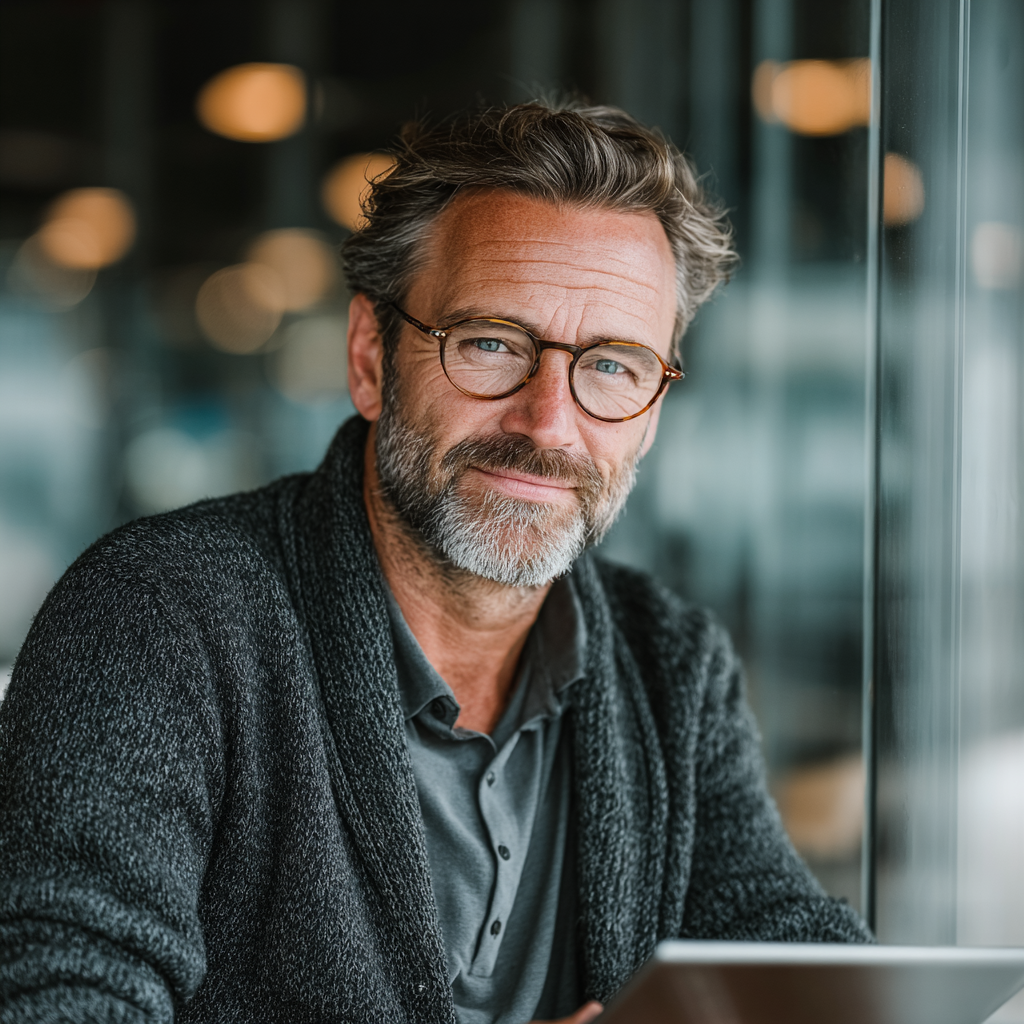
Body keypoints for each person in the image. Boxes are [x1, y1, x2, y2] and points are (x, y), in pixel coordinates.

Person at [0, 100, 870, 1024]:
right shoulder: (158, 616)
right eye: (492, 344)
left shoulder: (673, 664)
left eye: (613, 365)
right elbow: (60, 999)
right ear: (372, 357)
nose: (548, 423)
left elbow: (782, 946)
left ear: (654, 405)